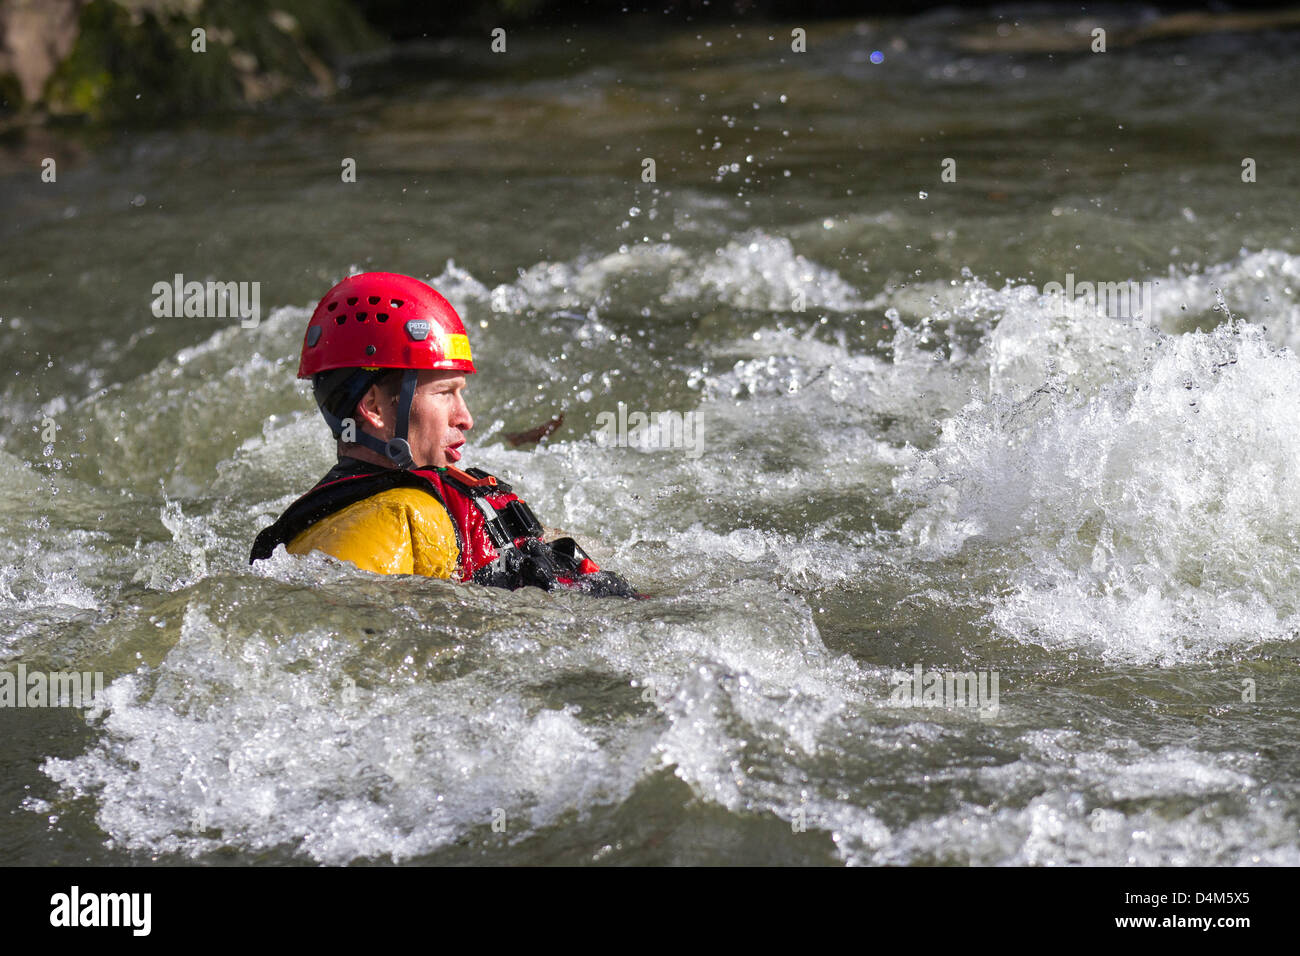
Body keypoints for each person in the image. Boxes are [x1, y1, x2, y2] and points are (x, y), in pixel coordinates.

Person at [250, 272, 638, 597]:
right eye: (444, 393)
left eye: (461, 393)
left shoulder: (433, 499)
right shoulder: (397, 519)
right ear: (374, 407)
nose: (465, 418)